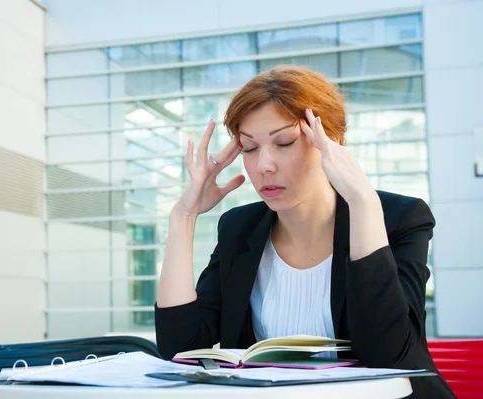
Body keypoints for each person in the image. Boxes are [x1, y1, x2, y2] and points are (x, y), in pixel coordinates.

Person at [154, 65, 456, 398]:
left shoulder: (398, 218)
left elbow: (388, 355)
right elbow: (181, 352)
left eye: (284, 142)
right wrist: (183, 218)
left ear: (331, 141)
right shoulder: (239, 229)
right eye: (249, 148)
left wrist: (362, 202)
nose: (263, 165)